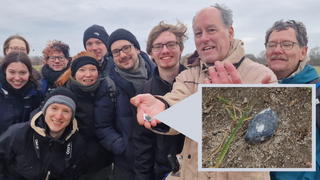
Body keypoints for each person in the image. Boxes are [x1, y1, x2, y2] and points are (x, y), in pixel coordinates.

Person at [131, 4, 278, 180]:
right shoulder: (188, 75)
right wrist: (163, 106)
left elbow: (271, 141)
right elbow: (176, 99)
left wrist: (238, 113)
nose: (204, 38)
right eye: (198, 33)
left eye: (211, 30)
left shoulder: (261, 76)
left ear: (230, 33)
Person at [94, 28, 155, 180]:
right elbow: (102, 125)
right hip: (127, 165)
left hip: (158, 160)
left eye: (126, 48)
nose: (122, 55)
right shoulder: (108, 84)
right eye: (115, 52)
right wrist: (124, 147)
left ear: (137, 49)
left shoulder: (158, 76)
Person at [264, 20, 320, 180]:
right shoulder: (254, 88)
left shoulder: (317, 91)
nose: (277, 50)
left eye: (287, 44)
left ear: (303, 52)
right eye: (271, 45)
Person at [132, 21, 187, 180]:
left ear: (181, 48)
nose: (165, 50)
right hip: (163, 171)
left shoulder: (199, 85)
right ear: (151, 53)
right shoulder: (144, 92)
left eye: (171, 44)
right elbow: (142, 144)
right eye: (158, 46)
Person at [0, 87, 86, 179]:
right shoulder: (18, 134)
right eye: (54, 108)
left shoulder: (77, 143)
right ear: (45, 110)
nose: (58, 116)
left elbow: (72, 175)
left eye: (66, 111)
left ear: (72, 116)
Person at [55, 51, 113, 180]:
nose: (88, 74)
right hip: (74, 165)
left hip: (103, 163)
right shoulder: (64, 95)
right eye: (82, 70)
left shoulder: (107, 91)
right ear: (74, 74)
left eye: (93, 69)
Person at [0, 51, 42, 135]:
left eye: (23, 72)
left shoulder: (36, 95)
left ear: (29, 72)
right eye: (12, 72)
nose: (17, 78)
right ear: (5, 71)